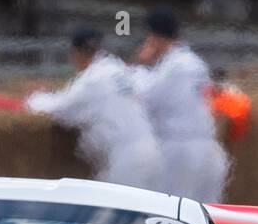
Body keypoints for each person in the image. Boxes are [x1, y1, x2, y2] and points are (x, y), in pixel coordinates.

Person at [25, 29, 163, 191]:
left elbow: (59, 108)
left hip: (126, 157)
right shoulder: (117, 68)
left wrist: (33, 98)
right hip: (151, 150)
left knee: (115, 210)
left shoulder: (93, 79)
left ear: (77, 53)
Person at [132, 8, 229, 203]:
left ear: (154, 37)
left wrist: (142, 64)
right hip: (208, 149)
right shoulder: (193, 62)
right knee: (210, 215)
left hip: (180, 149)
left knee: (173, 213)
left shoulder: (173, 66)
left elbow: (144, 97)